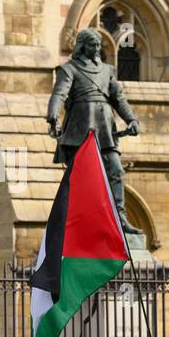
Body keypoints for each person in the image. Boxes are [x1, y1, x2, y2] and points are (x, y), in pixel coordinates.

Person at [46, 28, 142, 233]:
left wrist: (131, 119)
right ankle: (74, 220)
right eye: (92, 45)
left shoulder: (108, 71)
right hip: (80, 126)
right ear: (82, 46)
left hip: (105, 127)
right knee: (79, 177)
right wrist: (53, 114)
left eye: (98, 45)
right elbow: (59, 93)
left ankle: (120, 218)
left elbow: (119, 99)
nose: (97, 48)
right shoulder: (69, 69)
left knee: (115, 170)